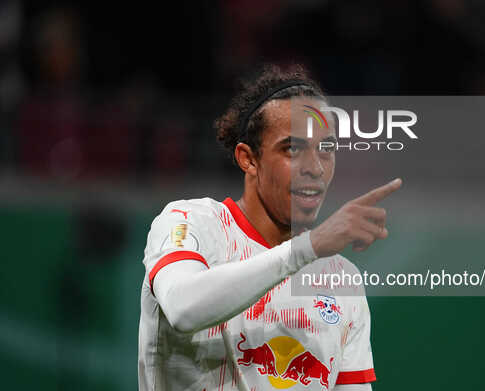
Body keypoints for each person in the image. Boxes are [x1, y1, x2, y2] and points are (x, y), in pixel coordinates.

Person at [138, 65, 402, 391]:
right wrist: (309, 248)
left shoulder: (341, 278)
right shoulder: (189, 222)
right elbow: (183, 307)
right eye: (292, 149)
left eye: (327, 150)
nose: (315, 168)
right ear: (248, 159)